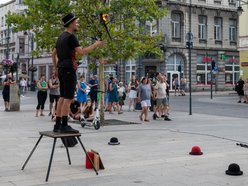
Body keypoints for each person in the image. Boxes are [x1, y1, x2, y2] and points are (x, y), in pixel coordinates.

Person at [52, 13, 105, 133]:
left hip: (61, 68)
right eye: (76, 22)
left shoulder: (61, 37)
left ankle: (57, 124)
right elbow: (81, 52)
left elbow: (53, 54)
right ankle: (64, 125)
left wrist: (56, 69)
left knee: (62, 97)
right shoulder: (71, 37)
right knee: (68, 98)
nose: (78, 24)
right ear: (71, 23)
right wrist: (96, 44)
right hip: (69, 69)